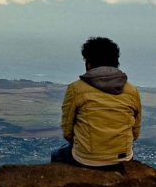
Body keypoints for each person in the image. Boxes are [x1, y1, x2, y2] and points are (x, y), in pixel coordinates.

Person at [53, 36, 142, 169]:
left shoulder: (76, 89)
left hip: (86, 158)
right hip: (121, 158)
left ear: (88, 64)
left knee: (56, 154)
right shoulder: (131, 90)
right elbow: (135, 132)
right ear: (116, 63)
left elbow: (67, 131)